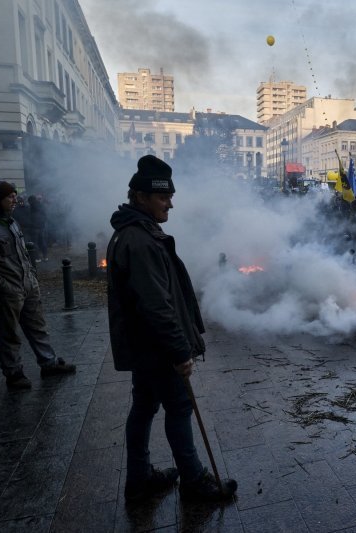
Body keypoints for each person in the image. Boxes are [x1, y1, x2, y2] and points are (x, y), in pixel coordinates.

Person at [107, 155, 237, 503]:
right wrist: (180, 351)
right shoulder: (140, 239)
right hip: (156, 347)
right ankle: (194, 482)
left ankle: (139, 478)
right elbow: (156, 305)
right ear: (141, 197)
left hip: (144, 345)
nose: (170, 204)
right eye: (163, 197)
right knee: (179, 408)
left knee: (145, 407)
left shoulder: (136, 232)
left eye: (170, 196)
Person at [0, 181, 75, 390]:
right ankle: (14, 373)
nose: (15, 199)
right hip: (7, 292)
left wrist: (32, 278)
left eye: (15, 195)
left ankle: (49, 363)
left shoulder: (12, 223)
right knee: (9, 333)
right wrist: (4, 288)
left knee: (38, 327)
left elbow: (23, 254)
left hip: (28, 286)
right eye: (9, 197)